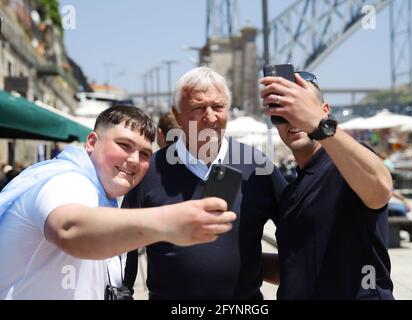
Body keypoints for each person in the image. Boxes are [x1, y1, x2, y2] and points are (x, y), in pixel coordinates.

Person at [0, 105, 236, 300]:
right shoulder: (67, 180)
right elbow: (69, 228)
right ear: (92, 142)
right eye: (124, 146)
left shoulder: (100, 194)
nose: (134, 160)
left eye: (144, 154)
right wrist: (168, 222)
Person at [122, 67, 286, 300]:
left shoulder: (258, 167)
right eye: (198, 109)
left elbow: (295, 228)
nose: (210, 118)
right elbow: (124, 243)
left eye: (218, 107)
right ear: (177, 115)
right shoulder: (149, 172)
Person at [260, 71, 394, 299]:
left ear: (324, 110)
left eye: (301, 108)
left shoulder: (345, 166)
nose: (293, 119)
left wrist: (319, 125)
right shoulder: (292, 190)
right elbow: (296, 270)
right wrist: (236, 257)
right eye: (281, 113)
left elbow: (380, 188)